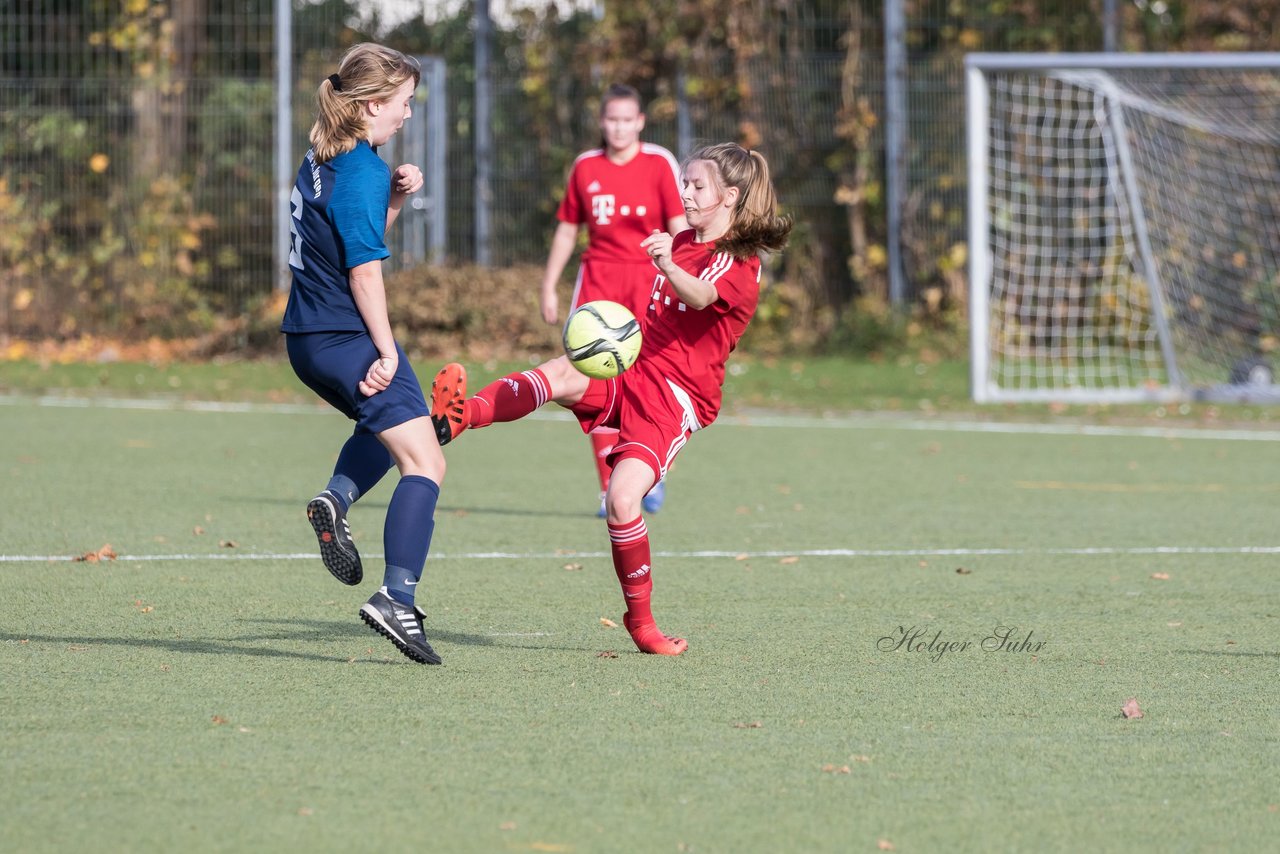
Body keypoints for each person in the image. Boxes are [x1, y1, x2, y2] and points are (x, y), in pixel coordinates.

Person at [430, 142, 791, 656]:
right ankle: (465, 415)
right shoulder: (684, 238)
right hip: (634, 368)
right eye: (684, 182)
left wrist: (667, 263)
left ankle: (642, 625)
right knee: (560, 372)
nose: (684, 192)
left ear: (729, 196)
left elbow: (701, 296)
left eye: (696, 185)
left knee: (622, 501)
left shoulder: (739, 261)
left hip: (675, 398)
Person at [281, 43, 463, 666]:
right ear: (370, 104)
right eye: (404, 103)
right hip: (345, 336)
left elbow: (351, 231)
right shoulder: (359, 169)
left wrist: (396, 198)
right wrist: (386, 352)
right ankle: (396, 598)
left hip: (307, 340)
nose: (407, 115)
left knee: (393, 432)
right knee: (426, 464)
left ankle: (335, 498)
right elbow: (364, 273)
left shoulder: (325, 157)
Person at [538, 84, 688, 518]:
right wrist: (549, 285)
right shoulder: (586, 167)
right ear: (602, 122)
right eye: (612, 119)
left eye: (627, 119)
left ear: (640, 121)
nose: (619, 127)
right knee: (596, 381)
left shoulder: (660, 163)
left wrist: (683, 278)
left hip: (650, 281)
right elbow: (568, 229)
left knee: (654, 380)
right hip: (599, 283)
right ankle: (610, 487)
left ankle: (651, 474)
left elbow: (679, 226)